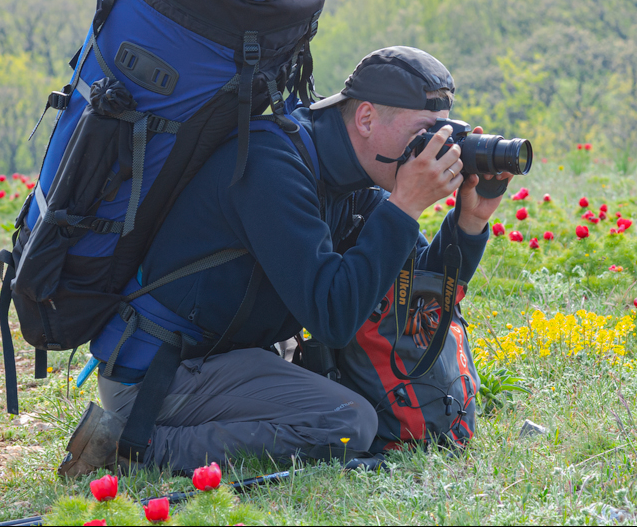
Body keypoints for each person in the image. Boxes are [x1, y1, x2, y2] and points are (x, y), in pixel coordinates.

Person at [59, 46, 511, 476]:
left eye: (442, 134)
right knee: (349, 422)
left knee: (355, 409)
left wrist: (469, 223)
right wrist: (405, 206)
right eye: (423, 134)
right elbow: (333, 317)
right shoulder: (271, 163)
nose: (432, 149)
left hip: (227, 359)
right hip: (156, 378)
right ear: (366, 118)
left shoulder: (350, 175)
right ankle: (131, 446)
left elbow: (415, 291)